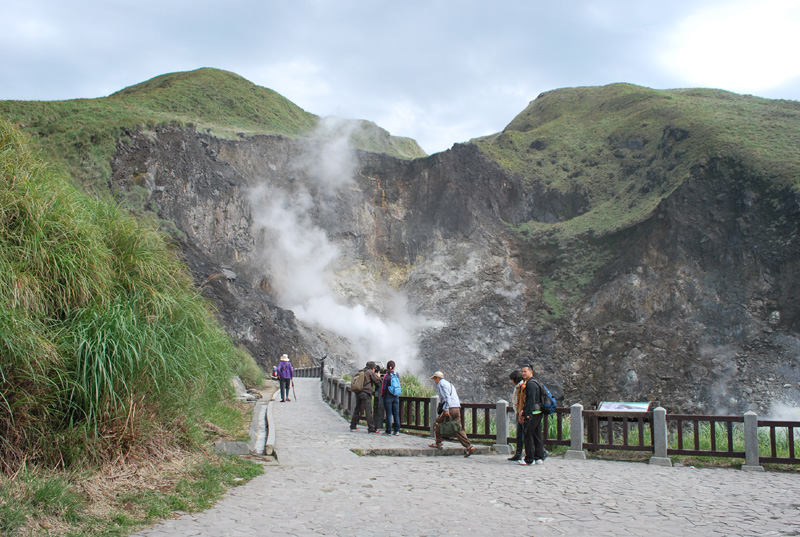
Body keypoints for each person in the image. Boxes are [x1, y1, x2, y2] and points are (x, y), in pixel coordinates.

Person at [429, 371, 477, 457]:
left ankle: (438, 442)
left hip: (450, 408)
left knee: (437, 422)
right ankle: (469, 446)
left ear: (438, 378)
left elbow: (447, 397)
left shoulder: (441, 384)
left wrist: (446, 409)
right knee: (458, 428)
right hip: (457, 408)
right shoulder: (450, 384)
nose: (435, 381)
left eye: (435, 379)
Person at [519, 364, 546, 465]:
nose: (523, 373)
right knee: (537, 435)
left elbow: (530, 400)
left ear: (531, 372)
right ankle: (539, 457)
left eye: (525, 371)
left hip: (533, 413)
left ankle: (529, 458)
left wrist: (527, 414)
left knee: (528, 434)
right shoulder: (536, 382)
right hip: (539, 412)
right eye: (522, 371)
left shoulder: (530, 384)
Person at [350, 361, 381, 432]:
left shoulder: (361, 371)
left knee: (357, 409)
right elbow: (377, 381)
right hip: (366, 393)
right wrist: (378, 376)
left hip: (358, 392)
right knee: (368, 411)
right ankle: (371, 428)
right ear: (373, 368)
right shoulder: (370, 372)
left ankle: (353, 426)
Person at [380, 360, 402, 436]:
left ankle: (388, 431)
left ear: (387, 367)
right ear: (394, 367)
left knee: (389, 414)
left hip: (388, 396)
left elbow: (384, 387)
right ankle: (397, 431)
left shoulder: (386, 376)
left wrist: (382, 395)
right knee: (396, 413)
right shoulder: (397, 374)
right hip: (396, 396)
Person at [508, 369, 525, 461]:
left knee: (523, 434)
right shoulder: (519, 386)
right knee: (521, 434)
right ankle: (518, 453)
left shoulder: (522, 386)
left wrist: (521, 412)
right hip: (519, 412)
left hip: (522, 413)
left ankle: (541, 451)